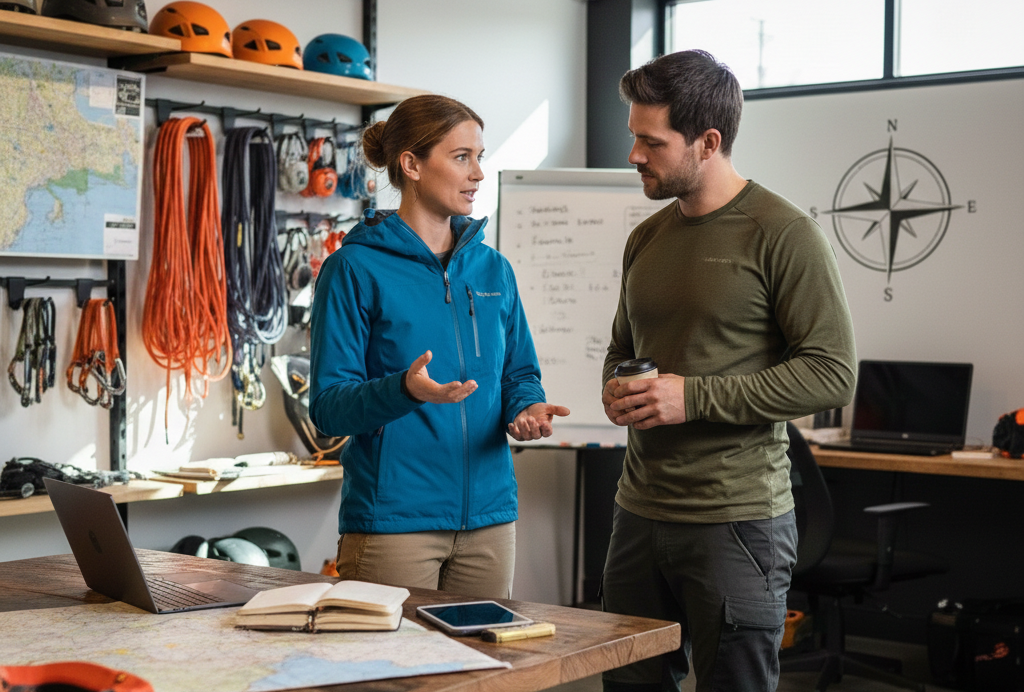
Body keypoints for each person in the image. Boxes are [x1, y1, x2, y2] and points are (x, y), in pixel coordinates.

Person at [600, 50, 857, 692]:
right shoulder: (646, 238)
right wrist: (617, 388)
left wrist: (693, 397)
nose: (634, 154)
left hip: (736, 522)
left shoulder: (783, 232)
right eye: (634, 136)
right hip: (638, 511)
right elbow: (620, 347)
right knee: (627, 684)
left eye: (650, 141)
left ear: (708, 142)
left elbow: (832, 374)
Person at [309, 94, 569, 600]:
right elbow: (329, 409)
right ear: (411, 165)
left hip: (490, 522)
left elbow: (519, 373)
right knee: (395, 677)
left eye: (480, 157)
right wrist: (404, 390)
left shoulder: (493, 270)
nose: (477, 174)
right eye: (460, 157)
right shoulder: (354, 269)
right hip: (394, 524)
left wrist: (527, 409)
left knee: (481, 672)